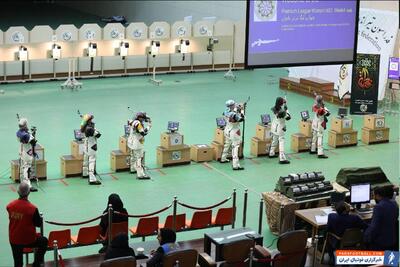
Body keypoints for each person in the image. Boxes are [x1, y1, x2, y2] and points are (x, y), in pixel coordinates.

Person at [6, 182, 48, 267]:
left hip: (14, 239)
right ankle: (36, 264)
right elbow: (38, 224)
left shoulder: (10, 206)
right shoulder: (32, 208)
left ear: (18, 192)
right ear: (29, 192)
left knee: (18, 263)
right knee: (44, 241)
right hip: (28, 240)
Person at [364, 186, 398, 251]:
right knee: (391, 261)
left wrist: (365, 237)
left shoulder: (378, 207)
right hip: (393, 241)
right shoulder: (394, 204)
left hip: (381, 243)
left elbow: (374, 227)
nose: (373, 198)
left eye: (373, 195)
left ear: (378, 195)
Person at [220, 99, 245, 170]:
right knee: (235, 147)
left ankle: (223, 158)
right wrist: (242, 110)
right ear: (232, 105)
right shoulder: (234, 115)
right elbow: (241, 119)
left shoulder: (225, 112)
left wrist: (237, 110)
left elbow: (232, 114)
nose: (235, 105)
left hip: (227, 130)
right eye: (234, 104)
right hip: (234, 131)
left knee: (227, 144)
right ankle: (235, 165)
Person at [16, 118, 38, 192]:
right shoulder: (26, 135)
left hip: (22, 151)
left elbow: (23, 134)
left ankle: (23, 183)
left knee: (23, 167)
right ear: (24, 125)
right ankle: (28, 186)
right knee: (27, 169)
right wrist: (33, 134)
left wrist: (27, 131)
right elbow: (33, 142)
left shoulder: (18, 133)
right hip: (27, 153)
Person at [127, 112, 151, 179]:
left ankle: (133, 169)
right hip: (137, 143)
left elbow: (131, 122)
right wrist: (149, 126)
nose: (143, 120)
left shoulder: (131, 121)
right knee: (139, 158)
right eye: (142, 118)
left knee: (133, 156)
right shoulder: (139, 124)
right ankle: (140, 174)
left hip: (131, 142)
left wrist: (145, 118)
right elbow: (143, 133)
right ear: (139, 118)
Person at [80, 114, 101, 185]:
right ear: (88, 121)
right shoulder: (90, 129)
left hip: (86, 146)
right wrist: (96, 130)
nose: (92, 121)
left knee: (86, 160)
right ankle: (92, 179)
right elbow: (98, 135)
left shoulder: (84, 127)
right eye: (91, 119)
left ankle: (85, 174)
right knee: (92, 161)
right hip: (92, 146)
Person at [269, 97, 291, 164]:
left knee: (275, 139)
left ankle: (271, 152)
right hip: (280, 127)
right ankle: (282, 158)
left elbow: (280, 109)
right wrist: (287, 109)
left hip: (274, 126)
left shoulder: (274, 108)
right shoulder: (282, 112)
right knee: (281, 141)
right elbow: (288, 117)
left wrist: (284, 104)